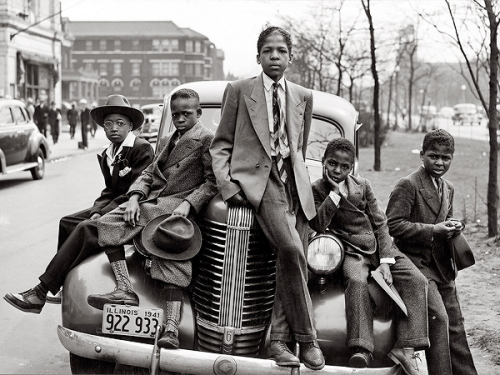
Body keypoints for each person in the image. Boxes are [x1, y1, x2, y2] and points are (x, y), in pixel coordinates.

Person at [209, 26, 324, 370]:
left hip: (296, 189)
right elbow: (221, 145)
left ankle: (277, 341)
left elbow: (299, 149)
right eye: (268, 51)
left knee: (290, 261)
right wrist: (230, 188)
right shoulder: (240, 90)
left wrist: (299, 180)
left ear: (290, 57)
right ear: (258, 56)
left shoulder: (303, 95)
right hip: (261, 183)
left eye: (281, 51)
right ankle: (308, 340)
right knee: (291, 250)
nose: (275, 56)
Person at [86, 88, 218, 349]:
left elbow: (212, 182)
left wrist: (189, 205)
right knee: (109, 222)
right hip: (154, 203)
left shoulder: (206, 139)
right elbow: (149, 173)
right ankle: (124, 288)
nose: (180, 118)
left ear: (199, 114)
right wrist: (134, 197)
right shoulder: (170, 138)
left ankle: (171, 330)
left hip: (176, 207)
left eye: (186, 114)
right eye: (176, 114)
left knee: (172, 258)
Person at [4, 94, 154, 313]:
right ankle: (63, 284)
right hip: (113, 206)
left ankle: (40, 292)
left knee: (85, 229)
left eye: (120, 123)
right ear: (103, 128)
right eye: (108, 124)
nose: (114, 128)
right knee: (67, 222)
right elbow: (110, 190)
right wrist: (96, 210)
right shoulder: (108, 153)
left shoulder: (141, 148)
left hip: (133, 210)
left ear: (130, 126)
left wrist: (102, 212)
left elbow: (138, 190)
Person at [309, 138, 429, 375]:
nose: (338, 170)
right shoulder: (317, 190)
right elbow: (318, 224)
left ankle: (406, 346)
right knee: (356, 281)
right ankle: (361, 348)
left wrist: (386, 260)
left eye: (345, 167)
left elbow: (380, 223)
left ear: (352, 167)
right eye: (332, 164)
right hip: (351, 251)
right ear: (324, 161)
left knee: (417, 281)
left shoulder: (363, 185)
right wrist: (334, 195)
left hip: (379, 248)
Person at [386, 129, 477, 375]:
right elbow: (392, 225)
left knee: (455, 324)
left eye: (445, 158)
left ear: (452, 158)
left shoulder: (448, 188)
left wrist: (455, 225)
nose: (439, 163)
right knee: (439, 318)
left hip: (441, 266)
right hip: (415, 265)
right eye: (433, 156)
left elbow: (444, 218)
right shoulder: (408, 185)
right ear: (422, 155)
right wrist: (432, 230)